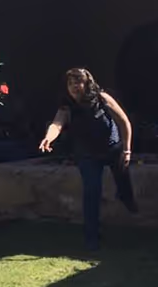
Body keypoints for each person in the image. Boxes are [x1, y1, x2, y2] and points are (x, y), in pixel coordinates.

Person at [39, 68, 138, 250]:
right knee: (91, 191)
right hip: (87, 153)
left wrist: (127, 150)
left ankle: (127, 198)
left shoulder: (102, 98)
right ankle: (91, 236)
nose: (74, 87)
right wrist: (48, 138)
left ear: (87, 84)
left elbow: (124, 122)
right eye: (70, 83)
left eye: (78, 82)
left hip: (112, 147)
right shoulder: (67, 105)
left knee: (122, 176)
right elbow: (57, 123)